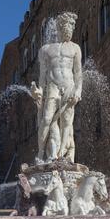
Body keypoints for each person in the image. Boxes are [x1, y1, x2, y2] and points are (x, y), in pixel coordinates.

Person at [31, 12, 82, 163]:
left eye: (72, 28)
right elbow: (42, 74)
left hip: (69, 86)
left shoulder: (75, 48)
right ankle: (40, 153)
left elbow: (78, 73)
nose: (70, 31)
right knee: (46, 119)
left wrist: (78, 91)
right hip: (52, 86)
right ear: (60, 27)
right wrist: (39, 90)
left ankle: (62, 155)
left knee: (67, 122)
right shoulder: (45, 49)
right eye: (68, 27)